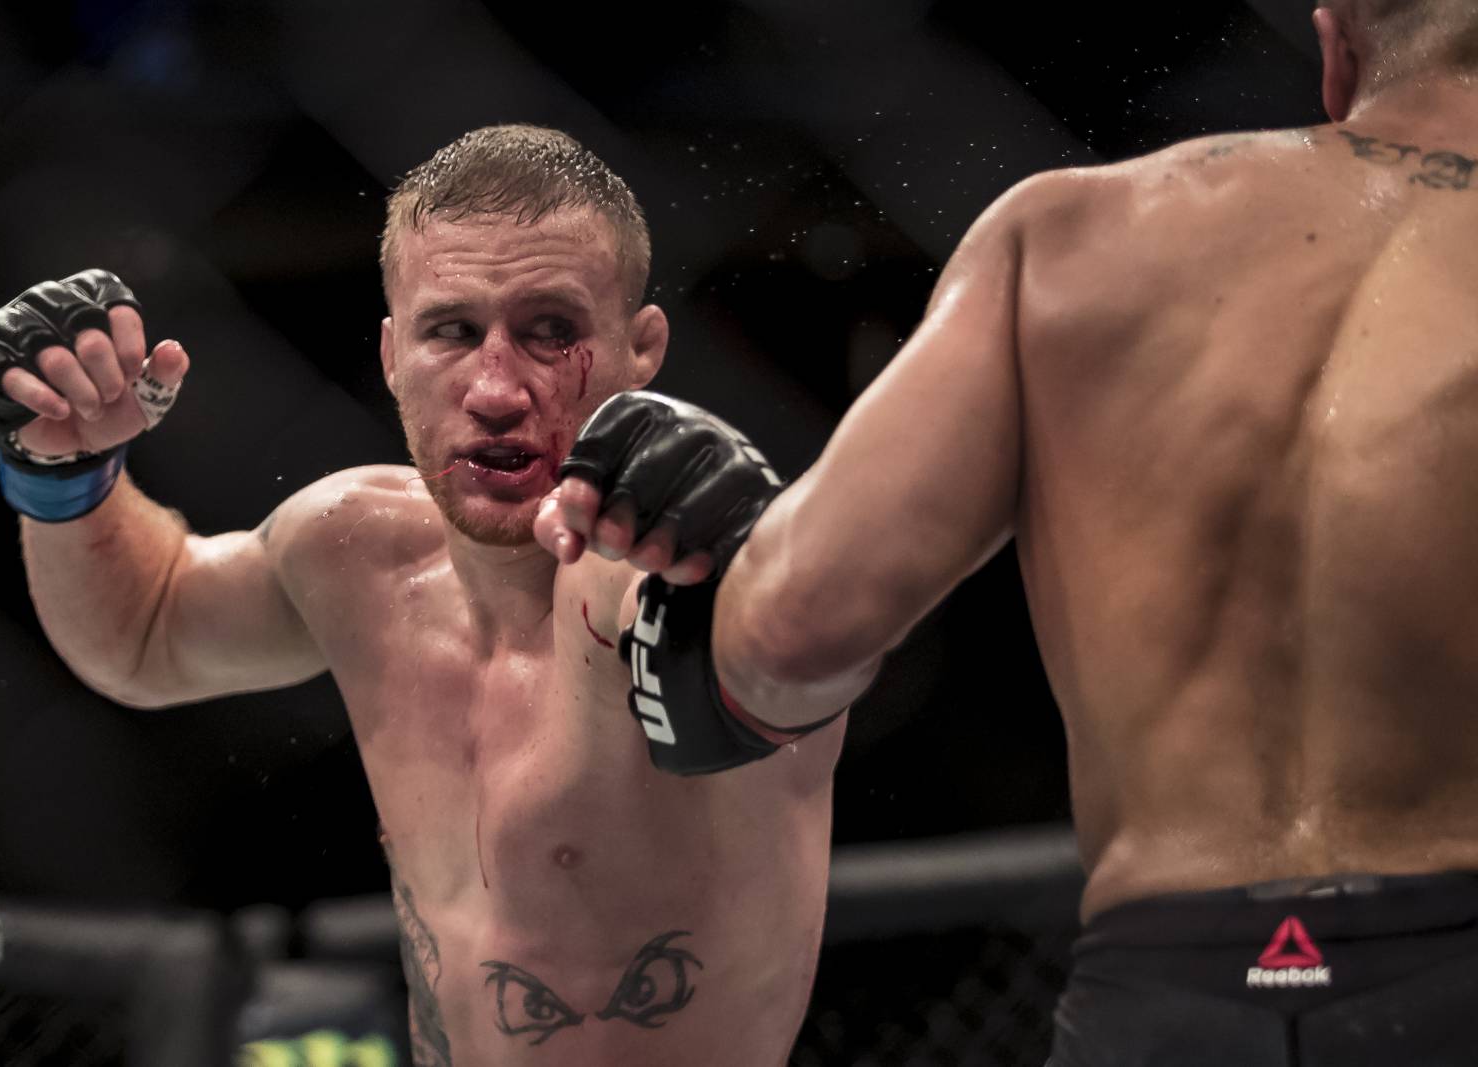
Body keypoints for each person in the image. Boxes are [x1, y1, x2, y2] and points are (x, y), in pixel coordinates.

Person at [538, 2, 1478, 1062]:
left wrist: (725, 547)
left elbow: (793, 630)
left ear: (1335, 53)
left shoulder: (1069, 235)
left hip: (1168, 995)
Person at [0, 124, 843, 1067]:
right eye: (451, 331)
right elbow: (144, 633)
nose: (496, 389)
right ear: (389, 353)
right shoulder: (356, 551)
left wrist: (743, 557)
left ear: (641, 346)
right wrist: (64, 473)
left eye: (551, 331)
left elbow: (797, 627)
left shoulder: (659, 577)